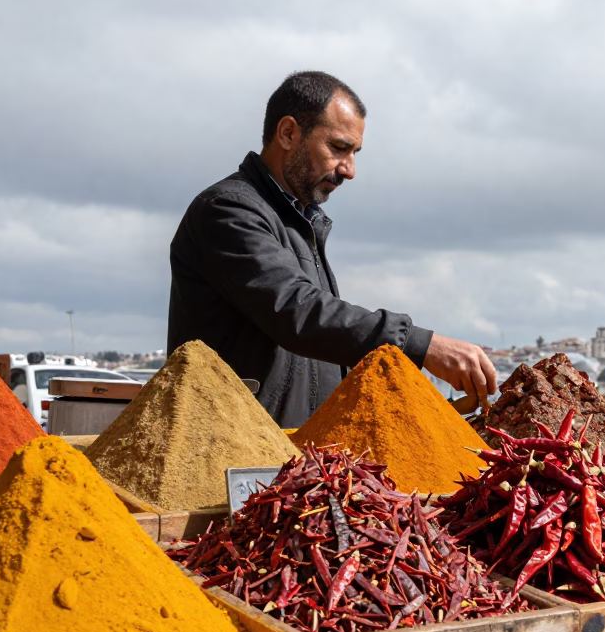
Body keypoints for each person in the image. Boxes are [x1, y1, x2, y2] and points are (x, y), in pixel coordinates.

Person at [167, 71, 496, 427]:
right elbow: (297, 312)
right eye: (338, 148)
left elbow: (322, 345)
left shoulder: (302, 222)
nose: (350, 170)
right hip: (232, 454)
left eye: (354, 153)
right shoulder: (227, 210)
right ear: (289, 133)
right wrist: (419, 345)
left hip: (293, 459)